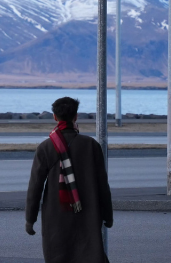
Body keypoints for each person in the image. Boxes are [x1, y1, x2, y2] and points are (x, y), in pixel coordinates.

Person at [25, 96, 113, 263]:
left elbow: (35, 186)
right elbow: (103, 184)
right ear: (76, 116)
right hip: (88, 212)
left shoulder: (45, 147)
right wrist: (108, 215)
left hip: (56, 215)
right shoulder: (91, 145)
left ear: (54, 117)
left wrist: (30, 219)